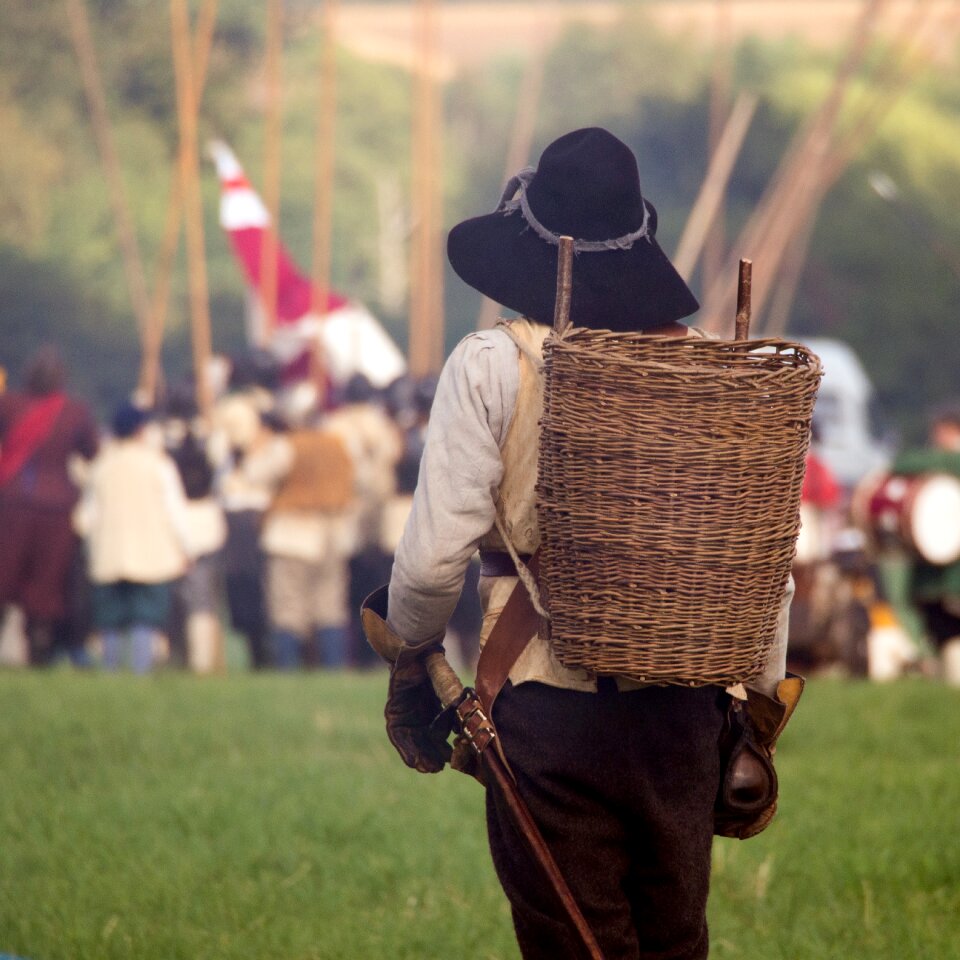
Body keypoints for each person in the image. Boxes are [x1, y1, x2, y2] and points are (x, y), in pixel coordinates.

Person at [376, 129, 797, 959]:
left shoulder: (493, 363)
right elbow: (763, 569)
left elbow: (429, 565)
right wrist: (755, 707)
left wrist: (410, 656)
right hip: (686, 718)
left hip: (544, 714)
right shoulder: (720, 370)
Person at [74, 402, 193, 673]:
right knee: (146, 616)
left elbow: (86, 516)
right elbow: (175, 511)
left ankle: (110, 671)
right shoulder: (158, 465)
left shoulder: (101, 466)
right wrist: (186, 548)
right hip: (151, 555)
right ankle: (141, 670)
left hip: (108, 553)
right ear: (141, 431)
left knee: (109, 618)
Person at [0, 345, 99, 665]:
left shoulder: (8, 406)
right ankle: (39, 650)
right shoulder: (75, 411)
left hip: (12, 503)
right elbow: (92, 451)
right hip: (55, 507)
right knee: (45, 586)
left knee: (7, 576)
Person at [894, 404, 960, 685]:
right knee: (942, 633)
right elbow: (900, 464)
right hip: (935, 573)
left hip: (952, 573)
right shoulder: (933, 460)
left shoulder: (944, 460)